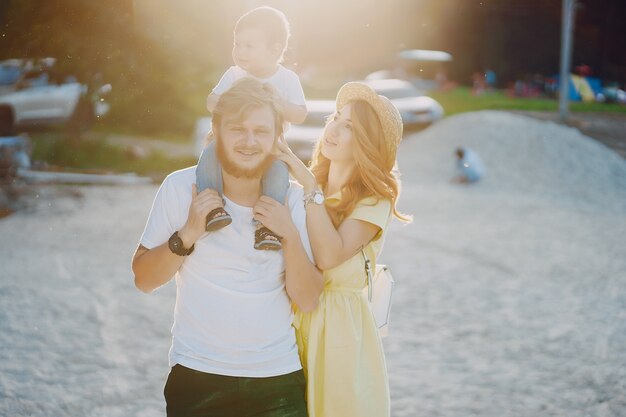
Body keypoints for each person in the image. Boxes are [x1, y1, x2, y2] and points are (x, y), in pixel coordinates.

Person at [132, 78, 323, 417]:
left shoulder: (293, 199)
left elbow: (308, 299)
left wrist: (290, 235)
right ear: (216, 130)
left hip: (276, 378)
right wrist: (187, 234)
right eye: (238, 129)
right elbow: (144, 280)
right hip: (196, 376)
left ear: (278, 138)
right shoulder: (180, 187)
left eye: (262, 132)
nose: (250, 142)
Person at [274, 82, 411, 417]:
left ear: (367, 142)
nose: (333, 129)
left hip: (338, 327)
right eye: (335, 118)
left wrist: (309, 187)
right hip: (288, 318)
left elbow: (329, 255)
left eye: (349, 126)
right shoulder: (307, 187)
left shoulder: (374, 199)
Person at [196, 6, 307, 251]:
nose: (240, 52)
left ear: (275, 49)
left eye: (249, 45)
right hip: (229, 141)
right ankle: (211, 207)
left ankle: (267, 226)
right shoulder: (235, 75)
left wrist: (276, 102)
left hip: (270, 146)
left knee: (278, 174)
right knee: (209, 155)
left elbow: (300, 113)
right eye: (237, 44)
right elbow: (211, 101)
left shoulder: (286, 79)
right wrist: (233, 100)